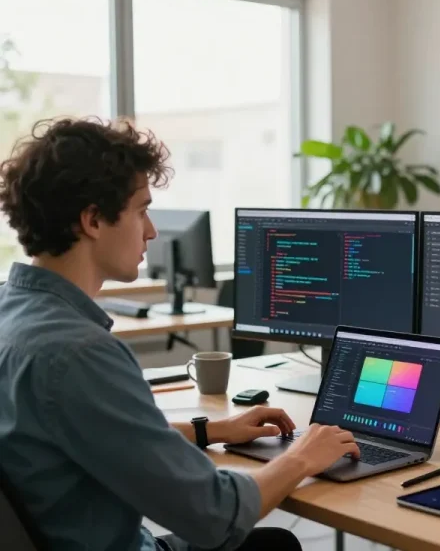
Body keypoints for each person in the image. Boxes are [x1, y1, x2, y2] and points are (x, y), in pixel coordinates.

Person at [0, 118, 360, 551]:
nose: (151, 230)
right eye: (141, 210)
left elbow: (102, 436)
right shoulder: (79, 353)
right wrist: (304, 456)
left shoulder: (13, 313)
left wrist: (213, 430)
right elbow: (214, 515)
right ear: (93, 220)